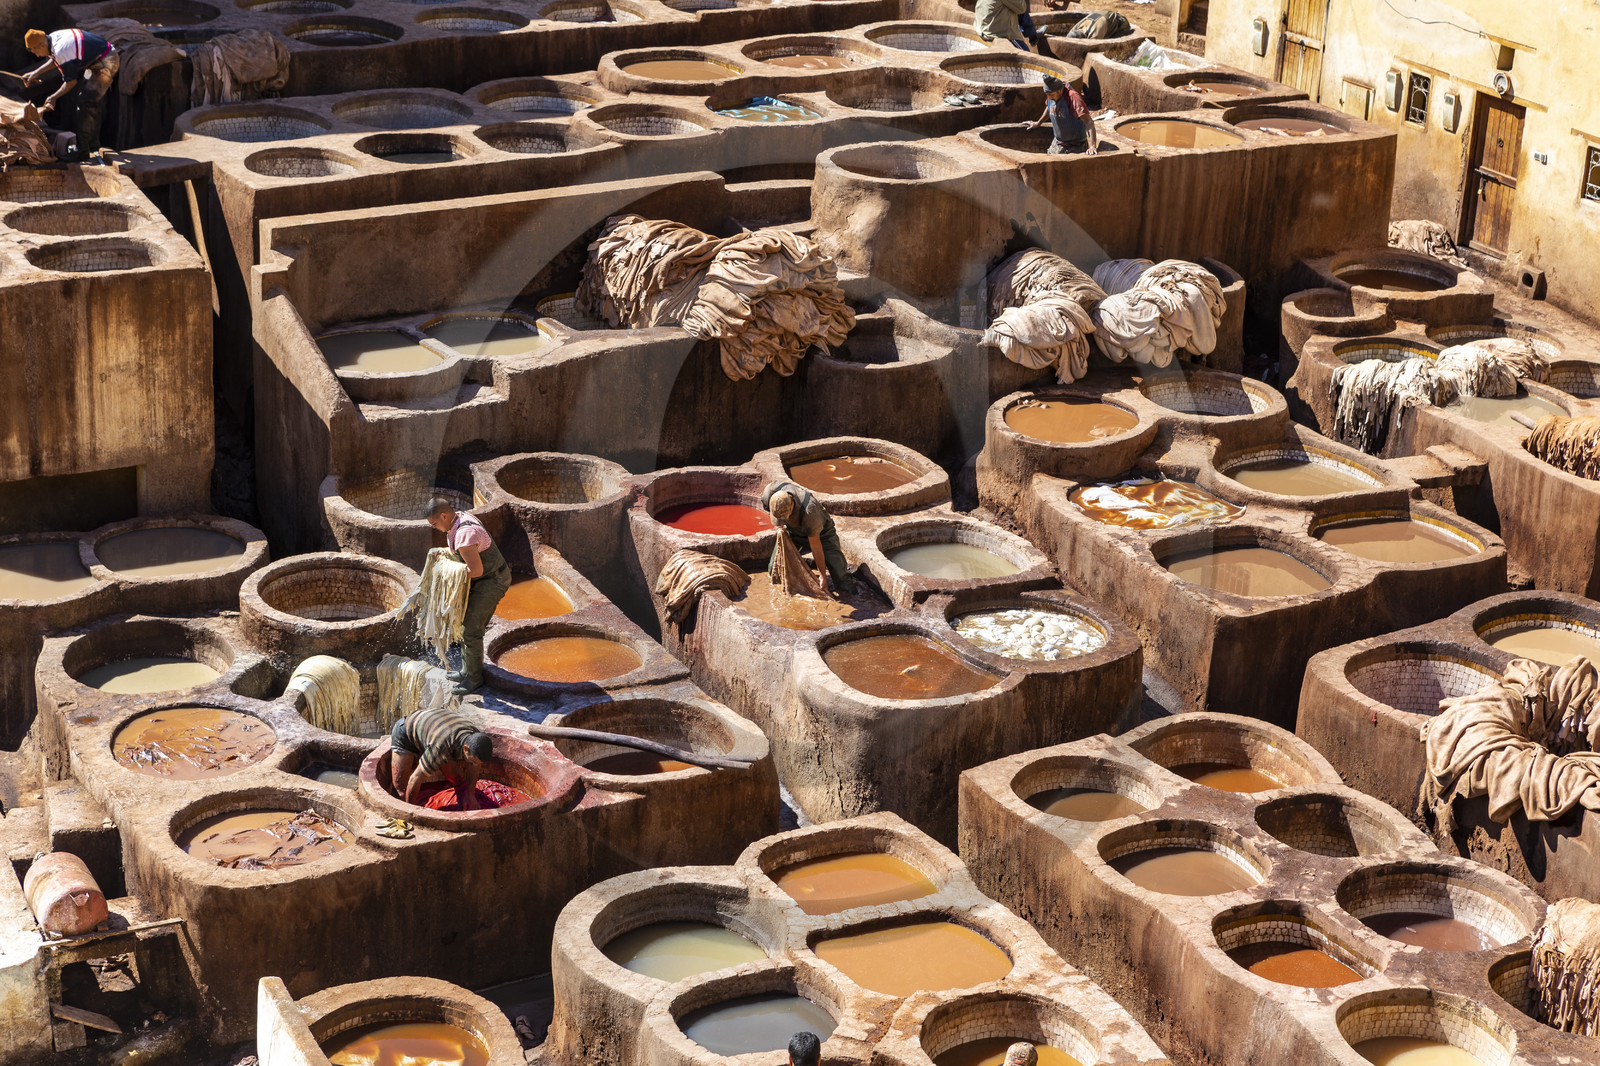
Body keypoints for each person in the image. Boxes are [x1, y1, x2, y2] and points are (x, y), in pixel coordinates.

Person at [423, 497, 513, 694]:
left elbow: (476, 570)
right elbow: (463, 556)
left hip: (492, 580)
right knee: (463, 622)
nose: (434, 527)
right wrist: (446, 555)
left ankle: (474, 679)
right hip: (485, 578)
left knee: (471, 628)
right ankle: (465, 670)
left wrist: (447, 571)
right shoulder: (459, 519)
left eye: (434, 523)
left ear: (444, 516)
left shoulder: (465, 534)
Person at [20, 28, 119, 160]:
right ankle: (92, 145)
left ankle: (82, 151)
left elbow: (70, 82)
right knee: (89, 102)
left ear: (43, 45)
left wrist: (53, 97)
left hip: (106, 62)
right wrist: (35, 73)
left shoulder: (62, 50)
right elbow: (55, 59)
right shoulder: (53, 37)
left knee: (85, 102)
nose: (37, 56)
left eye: (36, 51)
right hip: (99, 57)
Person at [389, 701, 495, 810]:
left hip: (436, 728)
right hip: (405, 732)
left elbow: (476, 765)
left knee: (458, 780)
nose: (474, 765)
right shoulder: (440, 748)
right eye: (472, 761)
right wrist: (412, 813)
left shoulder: (475, 736)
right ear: (465, 748)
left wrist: (470, 793)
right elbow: (414, 779)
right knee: (400, 793)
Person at [761, 479, 856, 599]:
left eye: (785, 517)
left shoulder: (810, 511)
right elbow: (774, 517)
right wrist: (779, 528)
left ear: (792, 505)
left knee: (840, 574)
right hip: (791, 531)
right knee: (775, 568)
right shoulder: (770, 492)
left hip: (822, 534)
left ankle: (852, 595)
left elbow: (815, 546)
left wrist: (822, 576)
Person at [1030, 75, 1099, 156]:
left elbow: (1089, 122)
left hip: (1075, 146)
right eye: (1047, 94)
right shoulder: (1051, 96)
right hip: (1058, 143)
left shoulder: (1073, 98)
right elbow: (1049, 108)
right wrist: (1038, 123)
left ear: (1060, 91)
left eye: (1051, 94)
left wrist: (1092, 146)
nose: (1048, 97)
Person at [973, 0, 1045, 52]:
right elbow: (1022, 8)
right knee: (1026, 56)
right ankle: (1032, 36)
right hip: (996, 32)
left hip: (982, 28)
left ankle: (1032, 35)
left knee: (1017, 6)